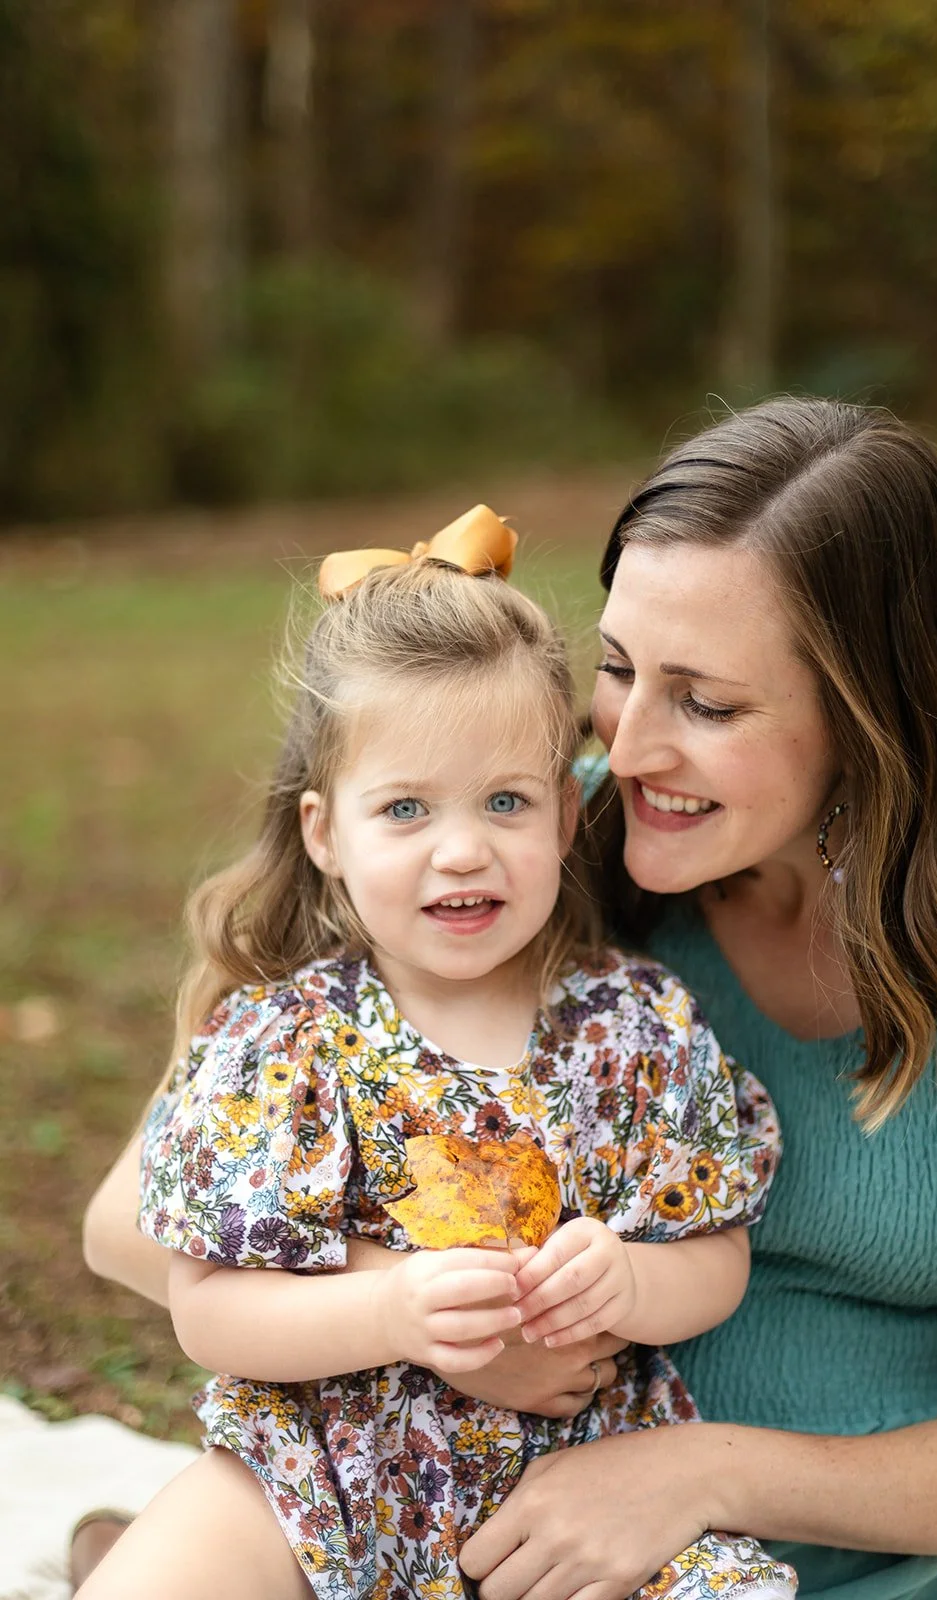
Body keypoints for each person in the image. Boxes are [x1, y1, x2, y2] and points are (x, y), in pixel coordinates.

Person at [82, 398, 937, 1600]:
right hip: (419, 1488)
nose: (629, 745)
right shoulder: (528, 840)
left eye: (704, 702)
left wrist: (691, 1476)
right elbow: (131, 1219)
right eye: (615, 669)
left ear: (872, 713)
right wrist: (442, 1319)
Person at [74, 508, 795, 1600]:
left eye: (504, 801)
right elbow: (209, 1302)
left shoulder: (634, 1027)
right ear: (326, 832)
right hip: (313, 1469)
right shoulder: (288, 1040)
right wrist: (395, 1310)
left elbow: (715, 1255)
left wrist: (631, 1279)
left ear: (564, 814)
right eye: (404, 808)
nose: (462, 849)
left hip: (569, 1494)